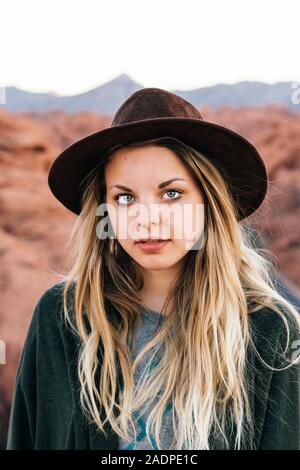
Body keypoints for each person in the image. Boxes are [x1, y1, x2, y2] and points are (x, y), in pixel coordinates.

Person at [6, 88, 300, 450]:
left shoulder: (271, 330)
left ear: (210, 203)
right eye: (125, 198)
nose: (145, 219)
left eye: (171, 194)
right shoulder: (62, 318)